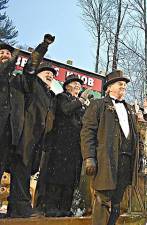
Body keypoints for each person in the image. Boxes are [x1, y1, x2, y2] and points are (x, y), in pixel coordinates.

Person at [81, 69, 140, 225]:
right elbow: (87, 132)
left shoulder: (130, 108)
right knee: (103, 199)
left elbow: (135, 135)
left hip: (126, 160)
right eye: (120, 83)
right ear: (109, 87)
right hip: (106, 159)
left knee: (117, 201)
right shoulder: (98, 105)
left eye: (125, 84)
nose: (124, 86)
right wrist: (89, 157)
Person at [7, 34, 56, 218]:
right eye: (46, 73)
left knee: (26, 173)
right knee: (21, 171)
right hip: (24, 136)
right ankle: (21, 207)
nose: (50, 75)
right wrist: (43, 47)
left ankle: (17, 209)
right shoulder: (32, 83)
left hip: (38, 141)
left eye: (52, 75)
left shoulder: (49, 95)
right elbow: (31, 66)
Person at [41, 75, 92, 217]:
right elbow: (65, 110)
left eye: (79, 84)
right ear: (67, 86)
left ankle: (65, 207)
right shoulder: (62, 97)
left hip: (75, 148)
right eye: (74, 83)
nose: (78, 86)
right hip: (60, 145)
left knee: (71, 179)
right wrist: (80, 101)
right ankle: (51, 207)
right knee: (57, 177)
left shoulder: (80, 104)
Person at [0, 43, 19, 182]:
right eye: (2, 52)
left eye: (8, 53)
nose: (5, 55)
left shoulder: (15, 80)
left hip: (6, 132)